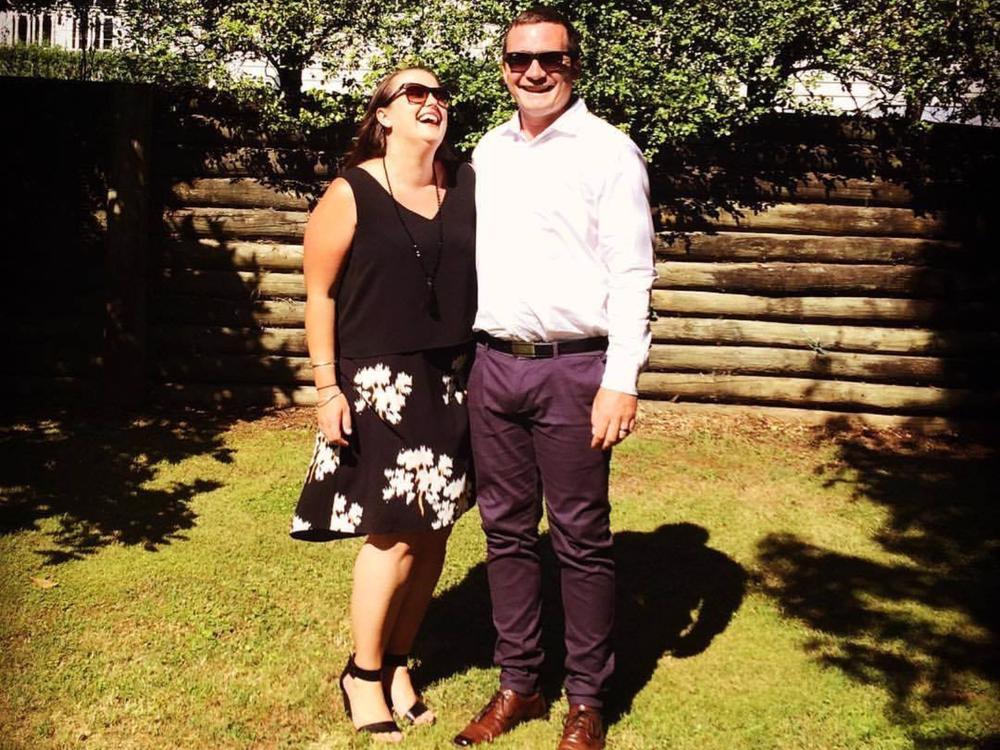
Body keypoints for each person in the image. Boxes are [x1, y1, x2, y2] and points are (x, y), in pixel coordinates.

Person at [453, 7, 656, 750]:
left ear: (574, 64)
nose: (534, 71)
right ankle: (520, 685)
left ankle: (587, 699)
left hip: (575, 370)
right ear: (503, 67)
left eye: (551, 58)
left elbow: (633, 272)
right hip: (494, 365)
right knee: (505, 533)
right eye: (519, 59)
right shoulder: (490, 150)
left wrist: (621, 378)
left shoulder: (609, 152)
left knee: (580, 538)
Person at [290, 67, 477, 742]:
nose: (432, 103)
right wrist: (326, 388)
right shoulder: (352, 191)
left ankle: (397, 663)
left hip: (453, 376)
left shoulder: (468, 184)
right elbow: (319, 294)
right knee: (394, 531)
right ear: (384, 115)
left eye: (440, 95)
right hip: (380, 383)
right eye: (414, 94)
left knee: (436, 530)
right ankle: (362, 674)